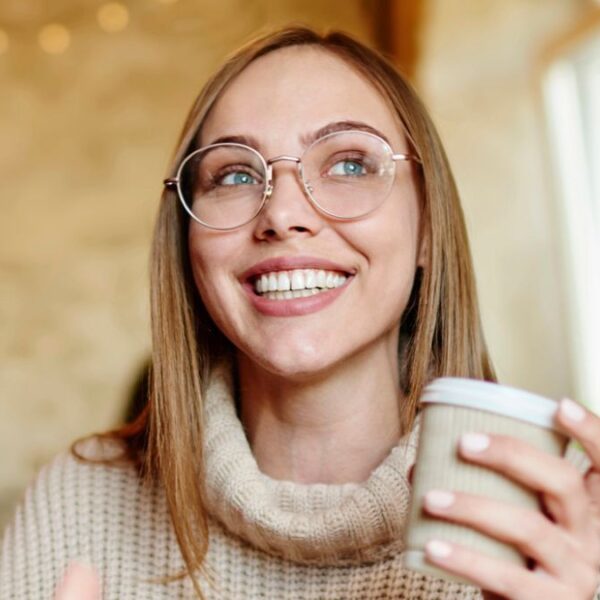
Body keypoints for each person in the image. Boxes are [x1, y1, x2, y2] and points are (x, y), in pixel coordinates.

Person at [2, 26, 600, 600]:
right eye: (235, 174)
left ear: (428, 232)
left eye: (349, 164)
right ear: (187, 245)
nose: (283, 213)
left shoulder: (565, 514)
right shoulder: (81, 501)